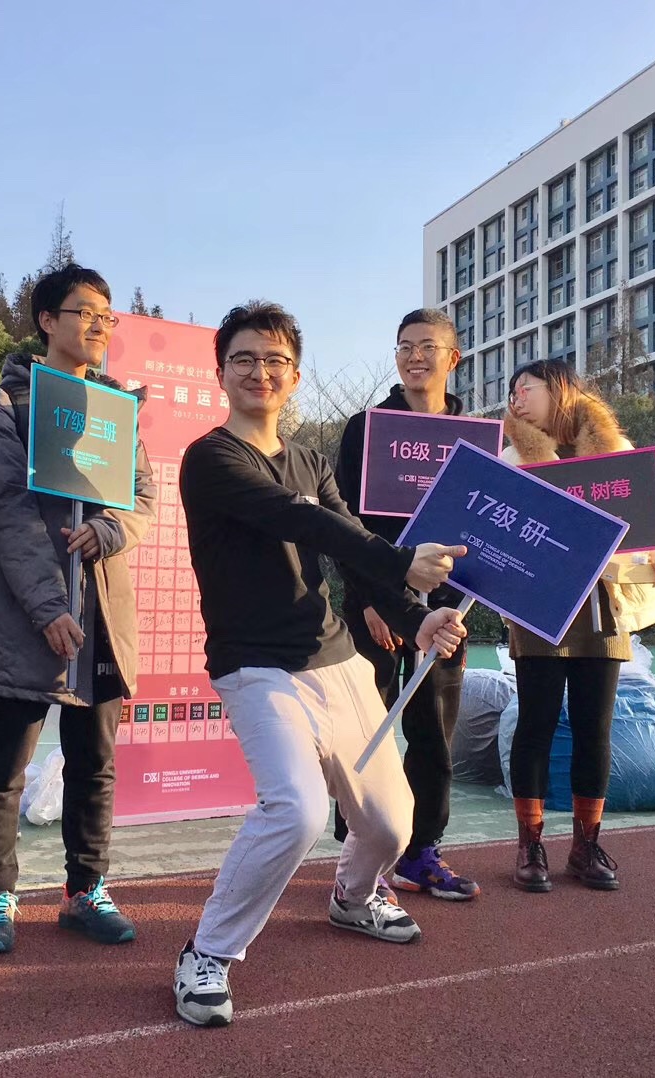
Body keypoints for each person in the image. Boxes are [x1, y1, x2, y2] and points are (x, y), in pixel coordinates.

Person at [171, 301, 467, 1028]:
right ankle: (207, 952)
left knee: (392, 826)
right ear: (221, 373)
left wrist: (416, 619)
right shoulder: (211, 458)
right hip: (255, 665)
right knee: (297, 809)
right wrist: (402, 559)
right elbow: (297, 518)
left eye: (275, 360)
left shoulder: (310, 460)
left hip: (336, 657)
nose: (260, 372)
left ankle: (353, 897)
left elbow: (349, 549)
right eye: (244, 359)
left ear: (295, 376)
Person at [0, 263, 156, 956]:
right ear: (47, 321)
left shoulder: (117, 409)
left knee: (94, 761)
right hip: (26, 610)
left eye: (107, 315)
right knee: (4, 762)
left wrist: (107, 530)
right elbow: (8, 512)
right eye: (85, 312)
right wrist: (48, 605)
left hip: (102, 610)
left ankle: (85, 890)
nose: (99, 325)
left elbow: (142, 497)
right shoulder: (8, 404)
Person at [501, 359, 655, 894]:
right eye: (512, 392)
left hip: (605, 602)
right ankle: (530, 845)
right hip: (539, 602)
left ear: (560, 390)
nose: (516, 399)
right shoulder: (512, 458)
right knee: (535, 722)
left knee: (593, 726)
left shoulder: (617, 452)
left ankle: (586, 845)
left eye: (526, 388)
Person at [332, 307, 477, 901]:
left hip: (445, 615)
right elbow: (343, 523)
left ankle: (421, 851)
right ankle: (360, 861)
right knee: (366, 736)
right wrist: (372, 603)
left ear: (452, 358)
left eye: (427, 347)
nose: (414, 357)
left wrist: (456, 607)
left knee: (433, 735)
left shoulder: (476, 438)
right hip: (374, 607)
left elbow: (484, 529)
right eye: (404, 347)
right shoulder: (367, 429)